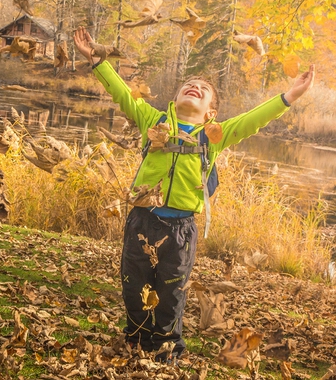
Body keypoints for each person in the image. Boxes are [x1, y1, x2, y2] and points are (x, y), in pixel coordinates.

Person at [73, 26, 315, 362]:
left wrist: (289, 97)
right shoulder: (152, 119)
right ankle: (136, 338)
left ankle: (167, 346)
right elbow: (123, 94)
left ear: (211, 113)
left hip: (181, 231)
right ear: (175, 100)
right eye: (189, 85)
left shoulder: (213, 135)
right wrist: (98, 61)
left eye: (203, 89)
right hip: (143, 220)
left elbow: (252, 120)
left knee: (171, 292)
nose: (194, 88)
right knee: (135, 285)